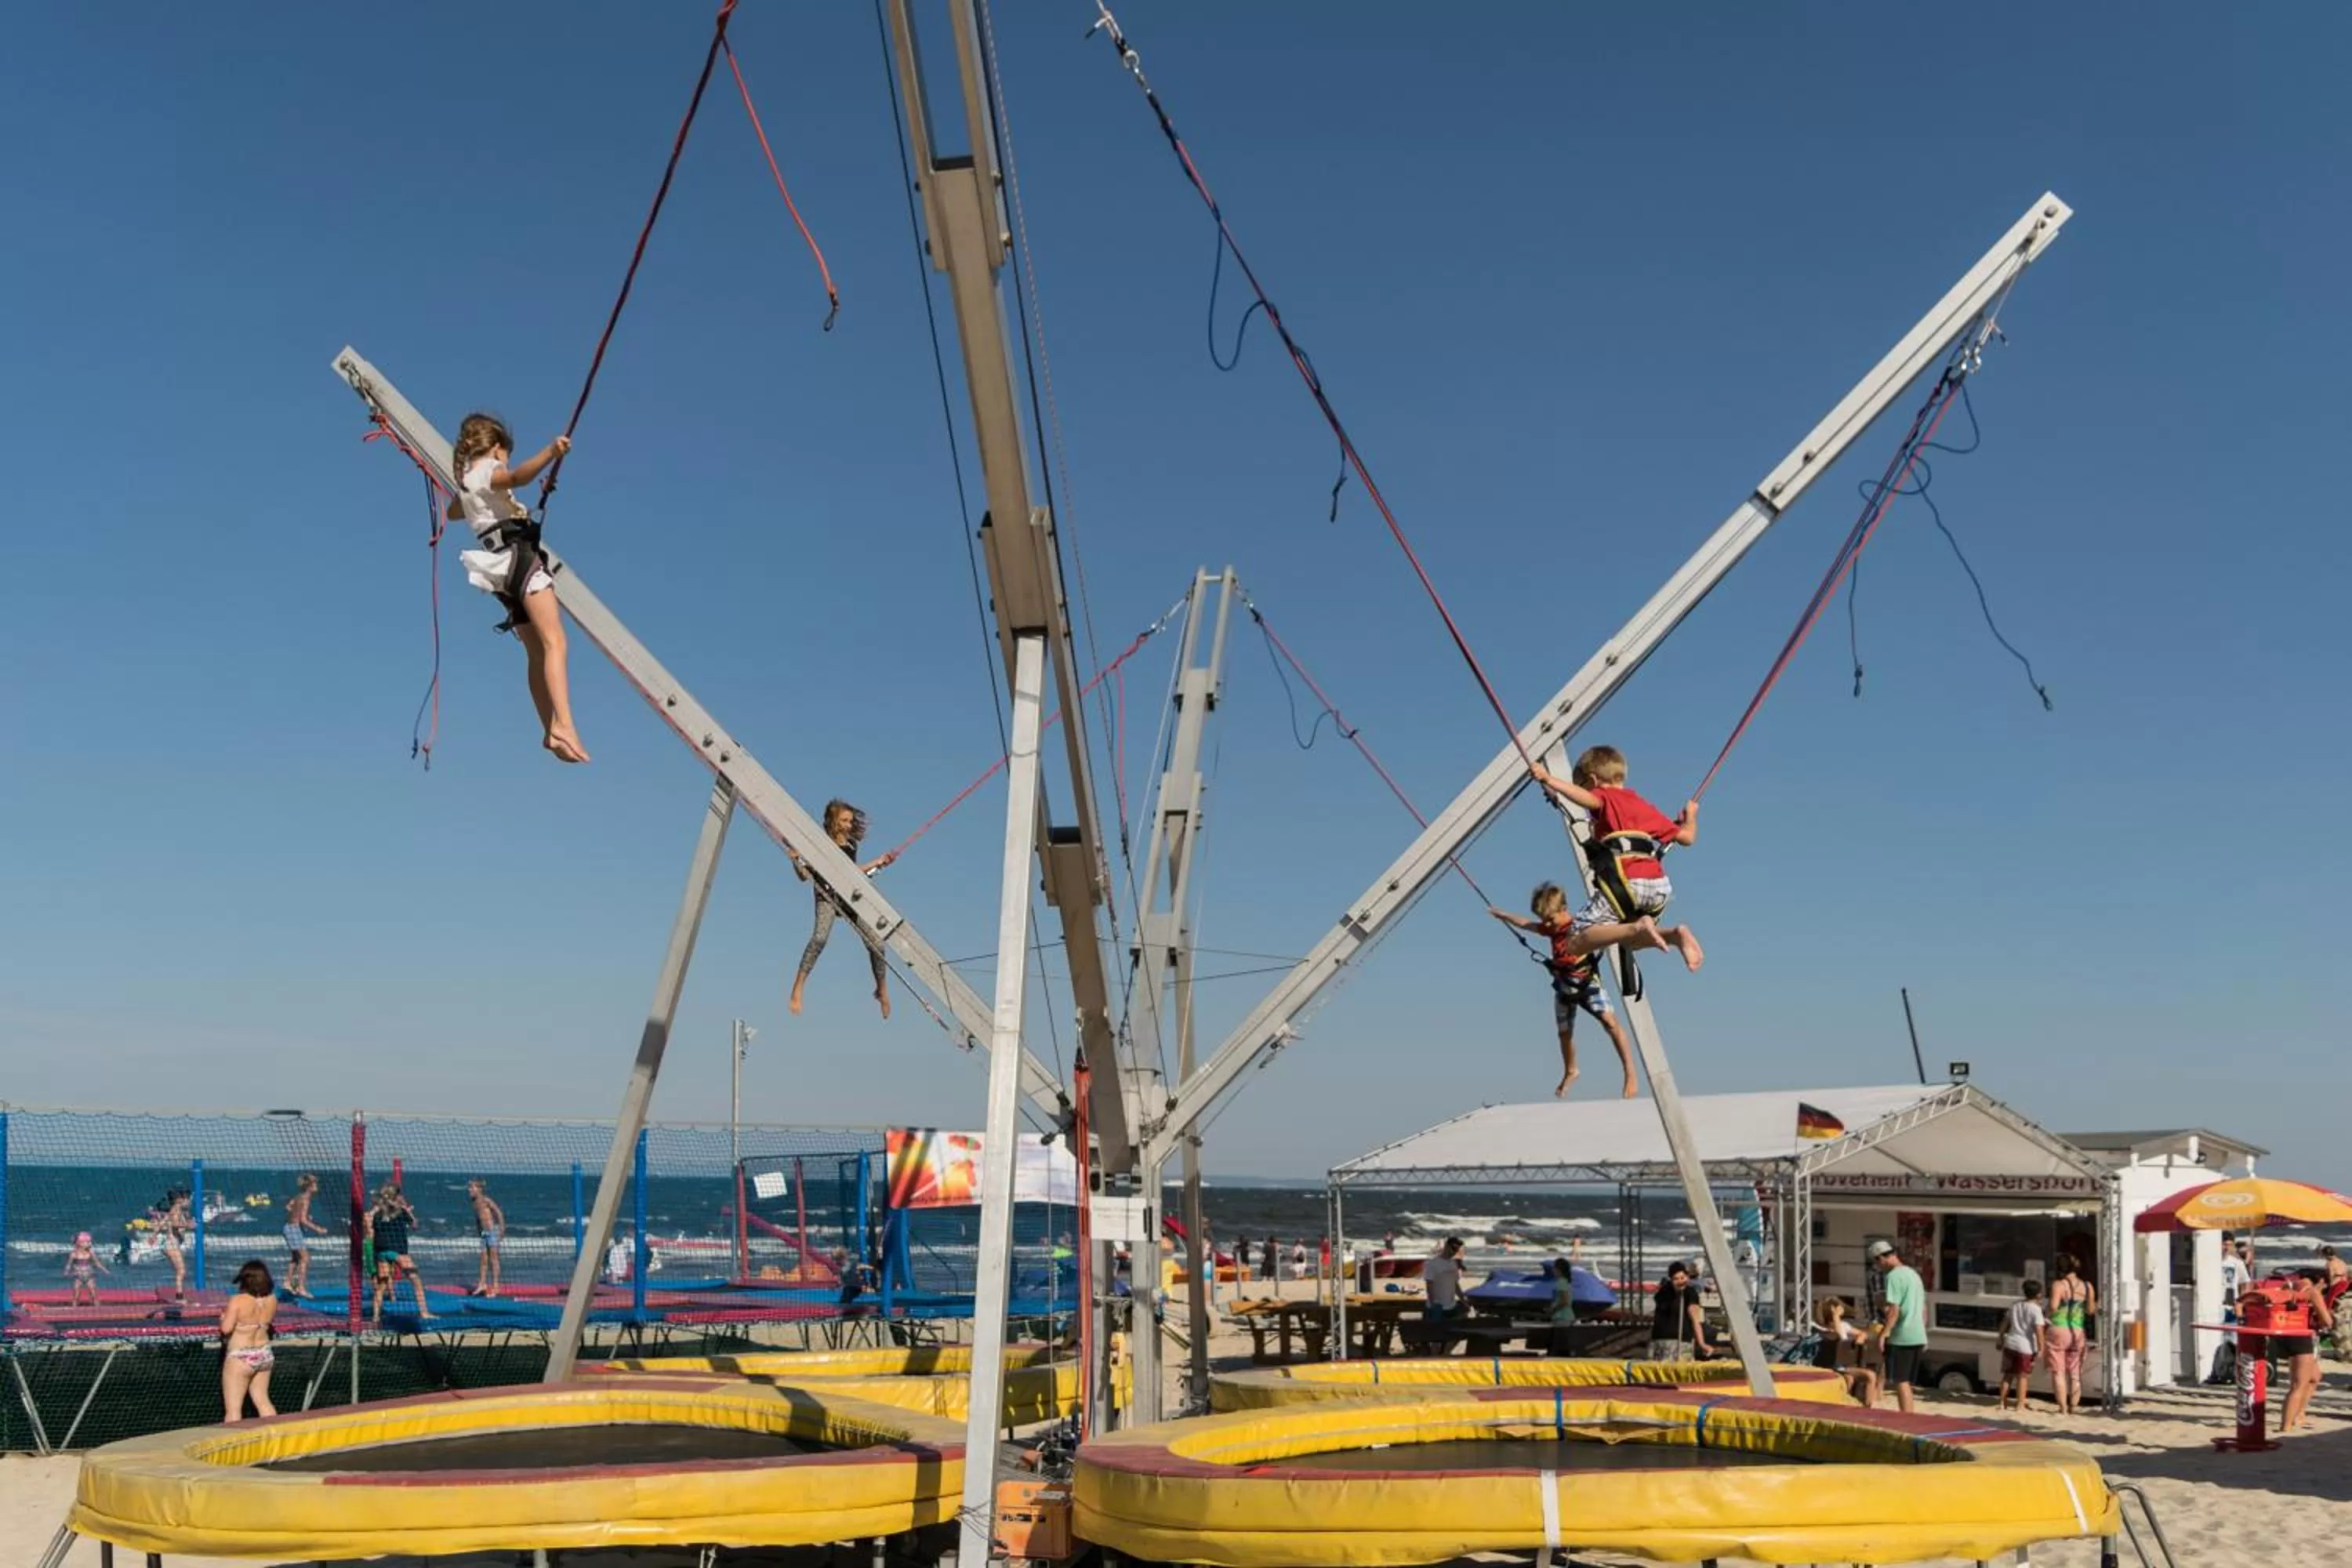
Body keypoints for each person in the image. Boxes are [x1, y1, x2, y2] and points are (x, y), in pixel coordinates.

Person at [445, 414, 586, 761]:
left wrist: (487, 498)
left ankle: (549, 728)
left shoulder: (467, 484)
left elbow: (453, 513)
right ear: (496, 449)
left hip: (501, 573)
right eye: (504, 456)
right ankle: (564, 724)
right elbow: (517, 476)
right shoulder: (489, 471)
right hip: (520, 560)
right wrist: (550, 453)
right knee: (556, 642)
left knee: (535, 653)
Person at [1526, 747, 1703, 972]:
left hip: (1626, 883)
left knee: (1574, 940)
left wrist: (1549, 779)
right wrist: (1691, 816)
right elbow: (1687, 837)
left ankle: (1640, 926)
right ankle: (1675, 935)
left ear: (1593, 780)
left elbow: (1587, 799)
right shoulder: (1643, 806)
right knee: (1629, 940)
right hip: (1658, 888)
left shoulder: (1604, 796)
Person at [1490, 883, 1639, 1099]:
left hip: (1588, 984)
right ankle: (1571, 1069)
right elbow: (1525, 924)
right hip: (1564, 986)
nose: (1547, 924)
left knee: (1611, 1023)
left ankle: (1630, 1071)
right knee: (1564, 1033)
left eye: (1551, 919)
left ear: (1564, 909)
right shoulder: (1550, 928)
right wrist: (1503, 915)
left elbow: (1607, 926)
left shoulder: (1580, 925)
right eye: (1544, 920)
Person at [789, 800, 897, 1018]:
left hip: (848, 896)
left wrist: (879, 861)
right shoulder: (819, 843)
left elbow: (853, 872)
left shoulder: (851, 845)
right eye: (844, 821)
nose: (849, 825)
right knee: (819, 939)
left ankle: (882, 990)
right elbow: (804, 877)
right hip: (827, 896)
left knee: (876, 944)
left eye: (850, 821)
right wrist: (795, 860)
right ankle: (798, 987)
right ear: (833, 821)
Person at [1869, 1240, 1928, 1413]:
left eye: (1876, 1262)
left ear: (1881, 1258)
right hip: (1917, 1333)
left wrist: (1884, 1334)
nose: (1878, 1267)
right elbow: (1923, 1308)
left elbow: (1895, 1310)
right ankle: (1908, 1416)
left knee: (1900, 1381)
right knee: (1906, 1382)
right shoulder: (1913, 1274)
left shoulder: (1893, 1276)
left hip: (1902, 1335)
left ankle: (1907, 1419)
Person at [2274, 1269, 2335, 1433]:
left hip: (2284, 1335)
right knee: (2298, 1385)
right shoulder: (2312, 1292)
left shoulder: (2288, 1287)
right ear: (2321, 1281)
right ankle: (2286, 1426)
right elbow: (2327, 1321)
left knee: (2314, 1377)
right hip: (2301, 1337)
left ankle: (2299, 1415)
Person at [220, 1258, 279, 1422]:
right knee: (263, 1402)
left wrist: (223, 1318)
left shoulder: (238, 1300)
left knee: (233, 1411)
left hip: (241, 1357)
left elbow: (226, 1328)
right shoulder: (272, 1299)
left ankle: (233, 1445)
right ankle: (275, 1441)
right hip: (264, 1353)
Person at [367, 1185, 431, 1326]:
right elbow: (414, 1225)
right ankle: (424, 1312)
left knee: (381, 1286)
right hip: (398, 1251)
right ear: (396, 1196)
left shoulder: (377, 1214)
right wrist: (409, 1211)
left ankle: (376, 1317)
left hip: (382, 1253)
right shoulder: (401, 1211)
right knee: (416, 1280)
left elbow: (371, 1226)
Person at [2044, 1254, 2096, 1417]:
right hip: (2077, 1330)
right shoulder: (2087, 1286)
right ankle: (2074, 1406)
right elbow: (2090, 1310)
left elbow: (2053, 1306)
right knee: (2074, 1373)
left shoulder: (2059, 1285)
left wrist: (2045, 1313)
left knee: (2058, 1372)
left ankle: (2063, 1408)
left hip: (2059, 1328)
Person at [1811, 1297, 1881, 1406]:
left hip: (1844, 1365)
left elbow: (1861, 1333)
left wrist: (1860, 1338)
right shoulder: (1825, 1329)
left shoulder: (1844, 1325)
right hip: (1832, 1365)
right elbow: (1841, 1337)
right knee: (1862, 1377)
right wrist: (1836, 1316)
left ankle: (1867, 1407)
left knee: (1867, 1375)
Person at [1998, 1279, 2048, 1412]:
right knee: (2023, 1376)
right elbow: (2039, 1331)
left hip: (2010, 1343)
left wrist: (2000, 1338)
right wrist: (2041, 1348)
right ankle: (2020, 1404)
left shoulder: (2015, 1305)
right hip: (2025, 1346)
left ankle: (2002, 1402)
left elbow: (2005, 1323)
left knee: (2007, 1375)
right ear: (2038, 1295)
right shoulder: (2036, 1310)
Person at [1649, 1260, 1710, 1362]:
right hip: (1666, 1342)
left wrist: (1701, 1343)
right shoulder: (1665, 1293)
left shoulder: (1688, 1293)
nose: (1680, 1281)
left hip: (1678, 1341)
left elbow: (1695, 1318)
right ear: (1671, 1279)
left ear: (1688, 1277)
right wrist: (1702, 1343)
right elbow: (1695, 1320)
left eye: (1682, 1278)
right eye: (1676, 1279)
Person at [281, 1174, 327, 1299]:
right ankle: (301, 1287)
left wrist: (295, 1213)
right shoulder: (306, 1199)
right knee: (305, 1258)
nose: (317, 1187)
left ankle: (287, 1282)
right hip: (294, 1229)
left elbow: (289, 1207)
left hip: (288, 1227)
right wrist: (318, 1229)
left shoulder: (298, 1197)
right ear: (309, 1187)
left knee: (296, 1258)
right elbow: (303, 1220)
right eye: (315, 1185)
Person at [467, 1179, 506, 1298]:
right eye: (469, 1188)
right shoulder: (474, 1202)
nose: (469, 1190)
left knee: (493, 1259)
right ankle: (482, 1284)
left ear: (479, 1189)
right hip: (483, 1233)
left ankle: (495, 1286)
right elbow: (478, 1219)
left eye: (472, 1188)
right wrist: (479, 1232)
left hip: (492, 1232)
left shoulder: (486, 1200)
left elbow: (498, 1213)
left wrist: (502, 1229)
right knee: (483, 1259)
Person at [1424, 1237, 1466, 1330]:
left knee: (1455, 1334)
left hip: (1451, 1306)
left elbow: (1455, 1284)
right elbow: (1429, 1285)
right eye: (1453, 1248)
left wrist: (1463, 1299)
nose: (1454, 1252)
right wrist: (1433, 1305)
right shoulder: (1432, 1263)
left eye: (1457, 1249)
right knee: (1435, 1335)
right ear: (1446, 1245)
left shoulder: (1453, 1263)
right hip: (1437, 1306)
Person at [63, 1231, 110, 1307]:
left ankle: (98, 1309)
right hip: (78, 1276)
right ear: (79, 1243)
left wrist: (105, 1270)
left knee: (94, 1294)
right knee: (76, 1296)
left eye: (89, 1242)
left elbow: (97, 1263)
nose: (88, 1244)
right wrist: (66, 1272)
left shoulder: (90, 1253)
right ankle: (74, 1309)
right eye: (86, 1242)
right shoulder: (74, 1254)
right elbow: (69, 1264)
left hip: (89, 1275)